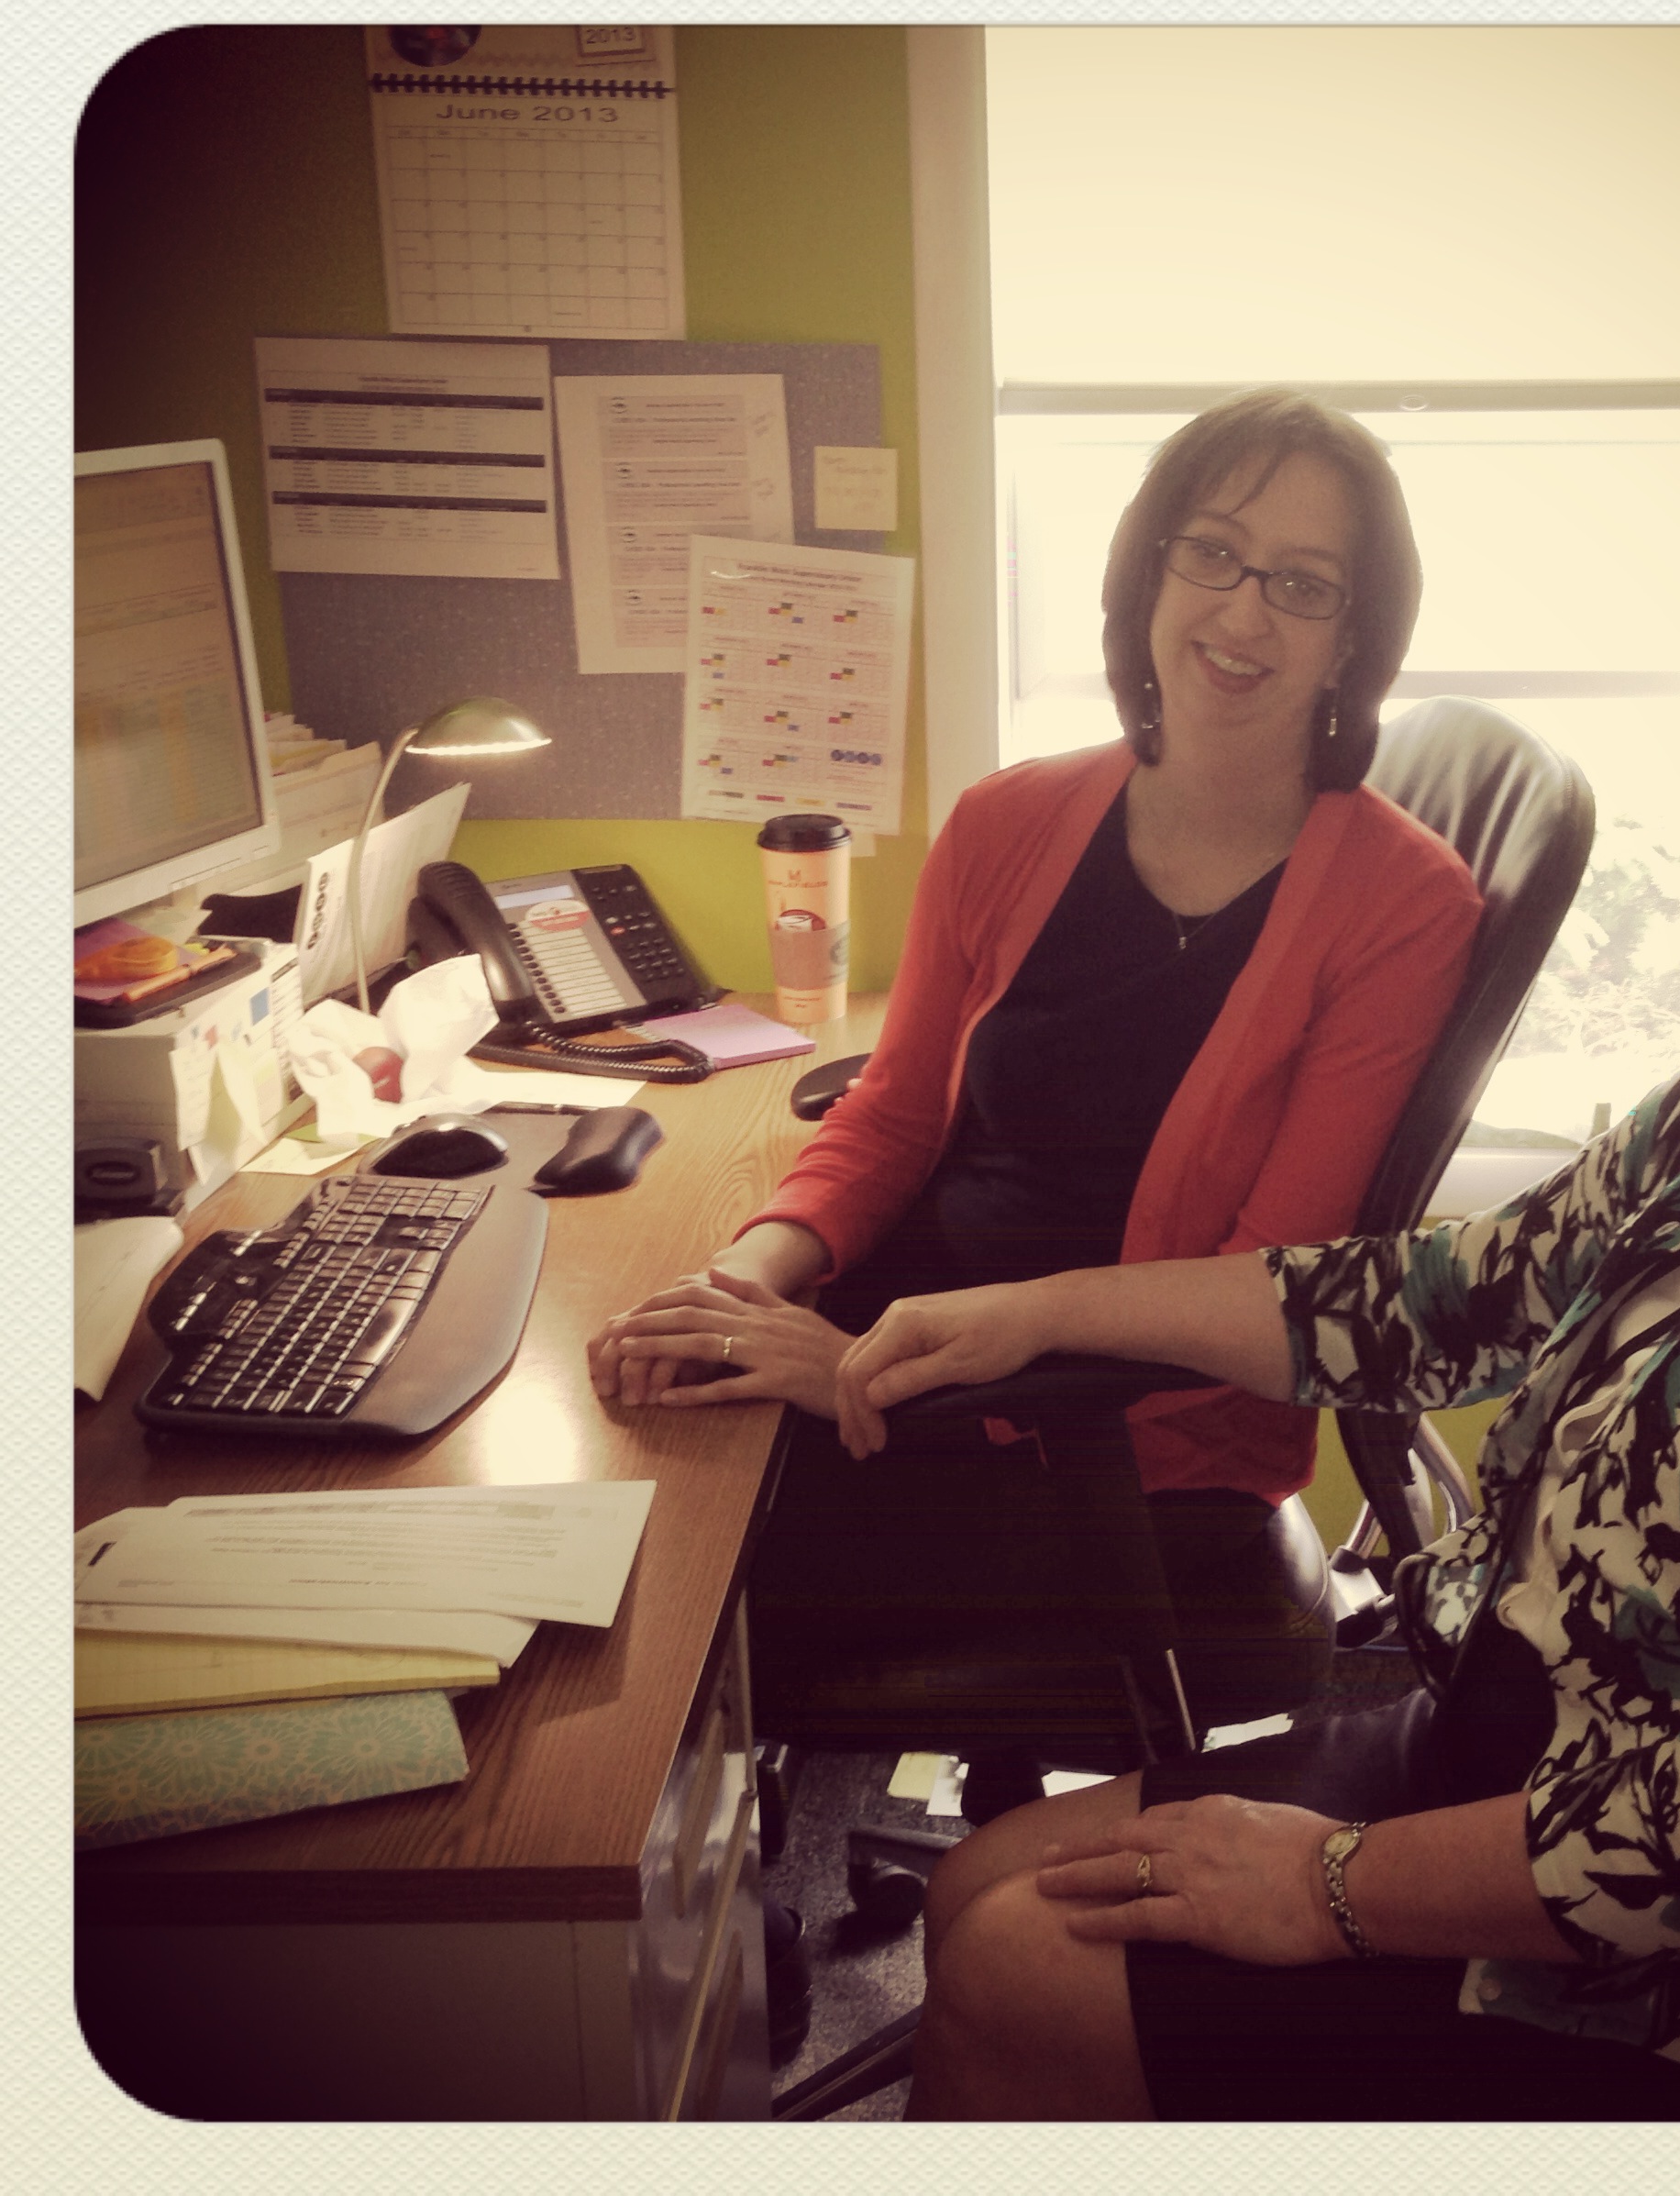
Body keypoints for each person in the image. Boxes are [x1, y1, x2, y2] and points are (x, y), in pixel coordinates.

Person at [832, 537, 1680, 2120]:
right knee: (981, 1881)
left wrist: (1327, 1887)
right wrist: (1039, 1309)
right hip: (1516, 1737)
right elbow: (1438, 1302)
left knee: (1023, 1963)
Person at [587, 391, 1483, 1750]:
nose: (1244, 614)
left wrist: (882, 1377)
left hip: (1112, 1444)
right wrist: (750, 1278)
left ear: (1355, 636)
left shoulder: (1404, 905)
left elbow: (1269, 1291)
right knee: (624, 1447)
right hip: (903, 1350)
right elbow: (895, 1113)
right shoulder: (1009, 819)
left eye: (1304, 583)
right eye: (1214, 553)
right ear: (1148, 568)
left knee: (655, 1615)